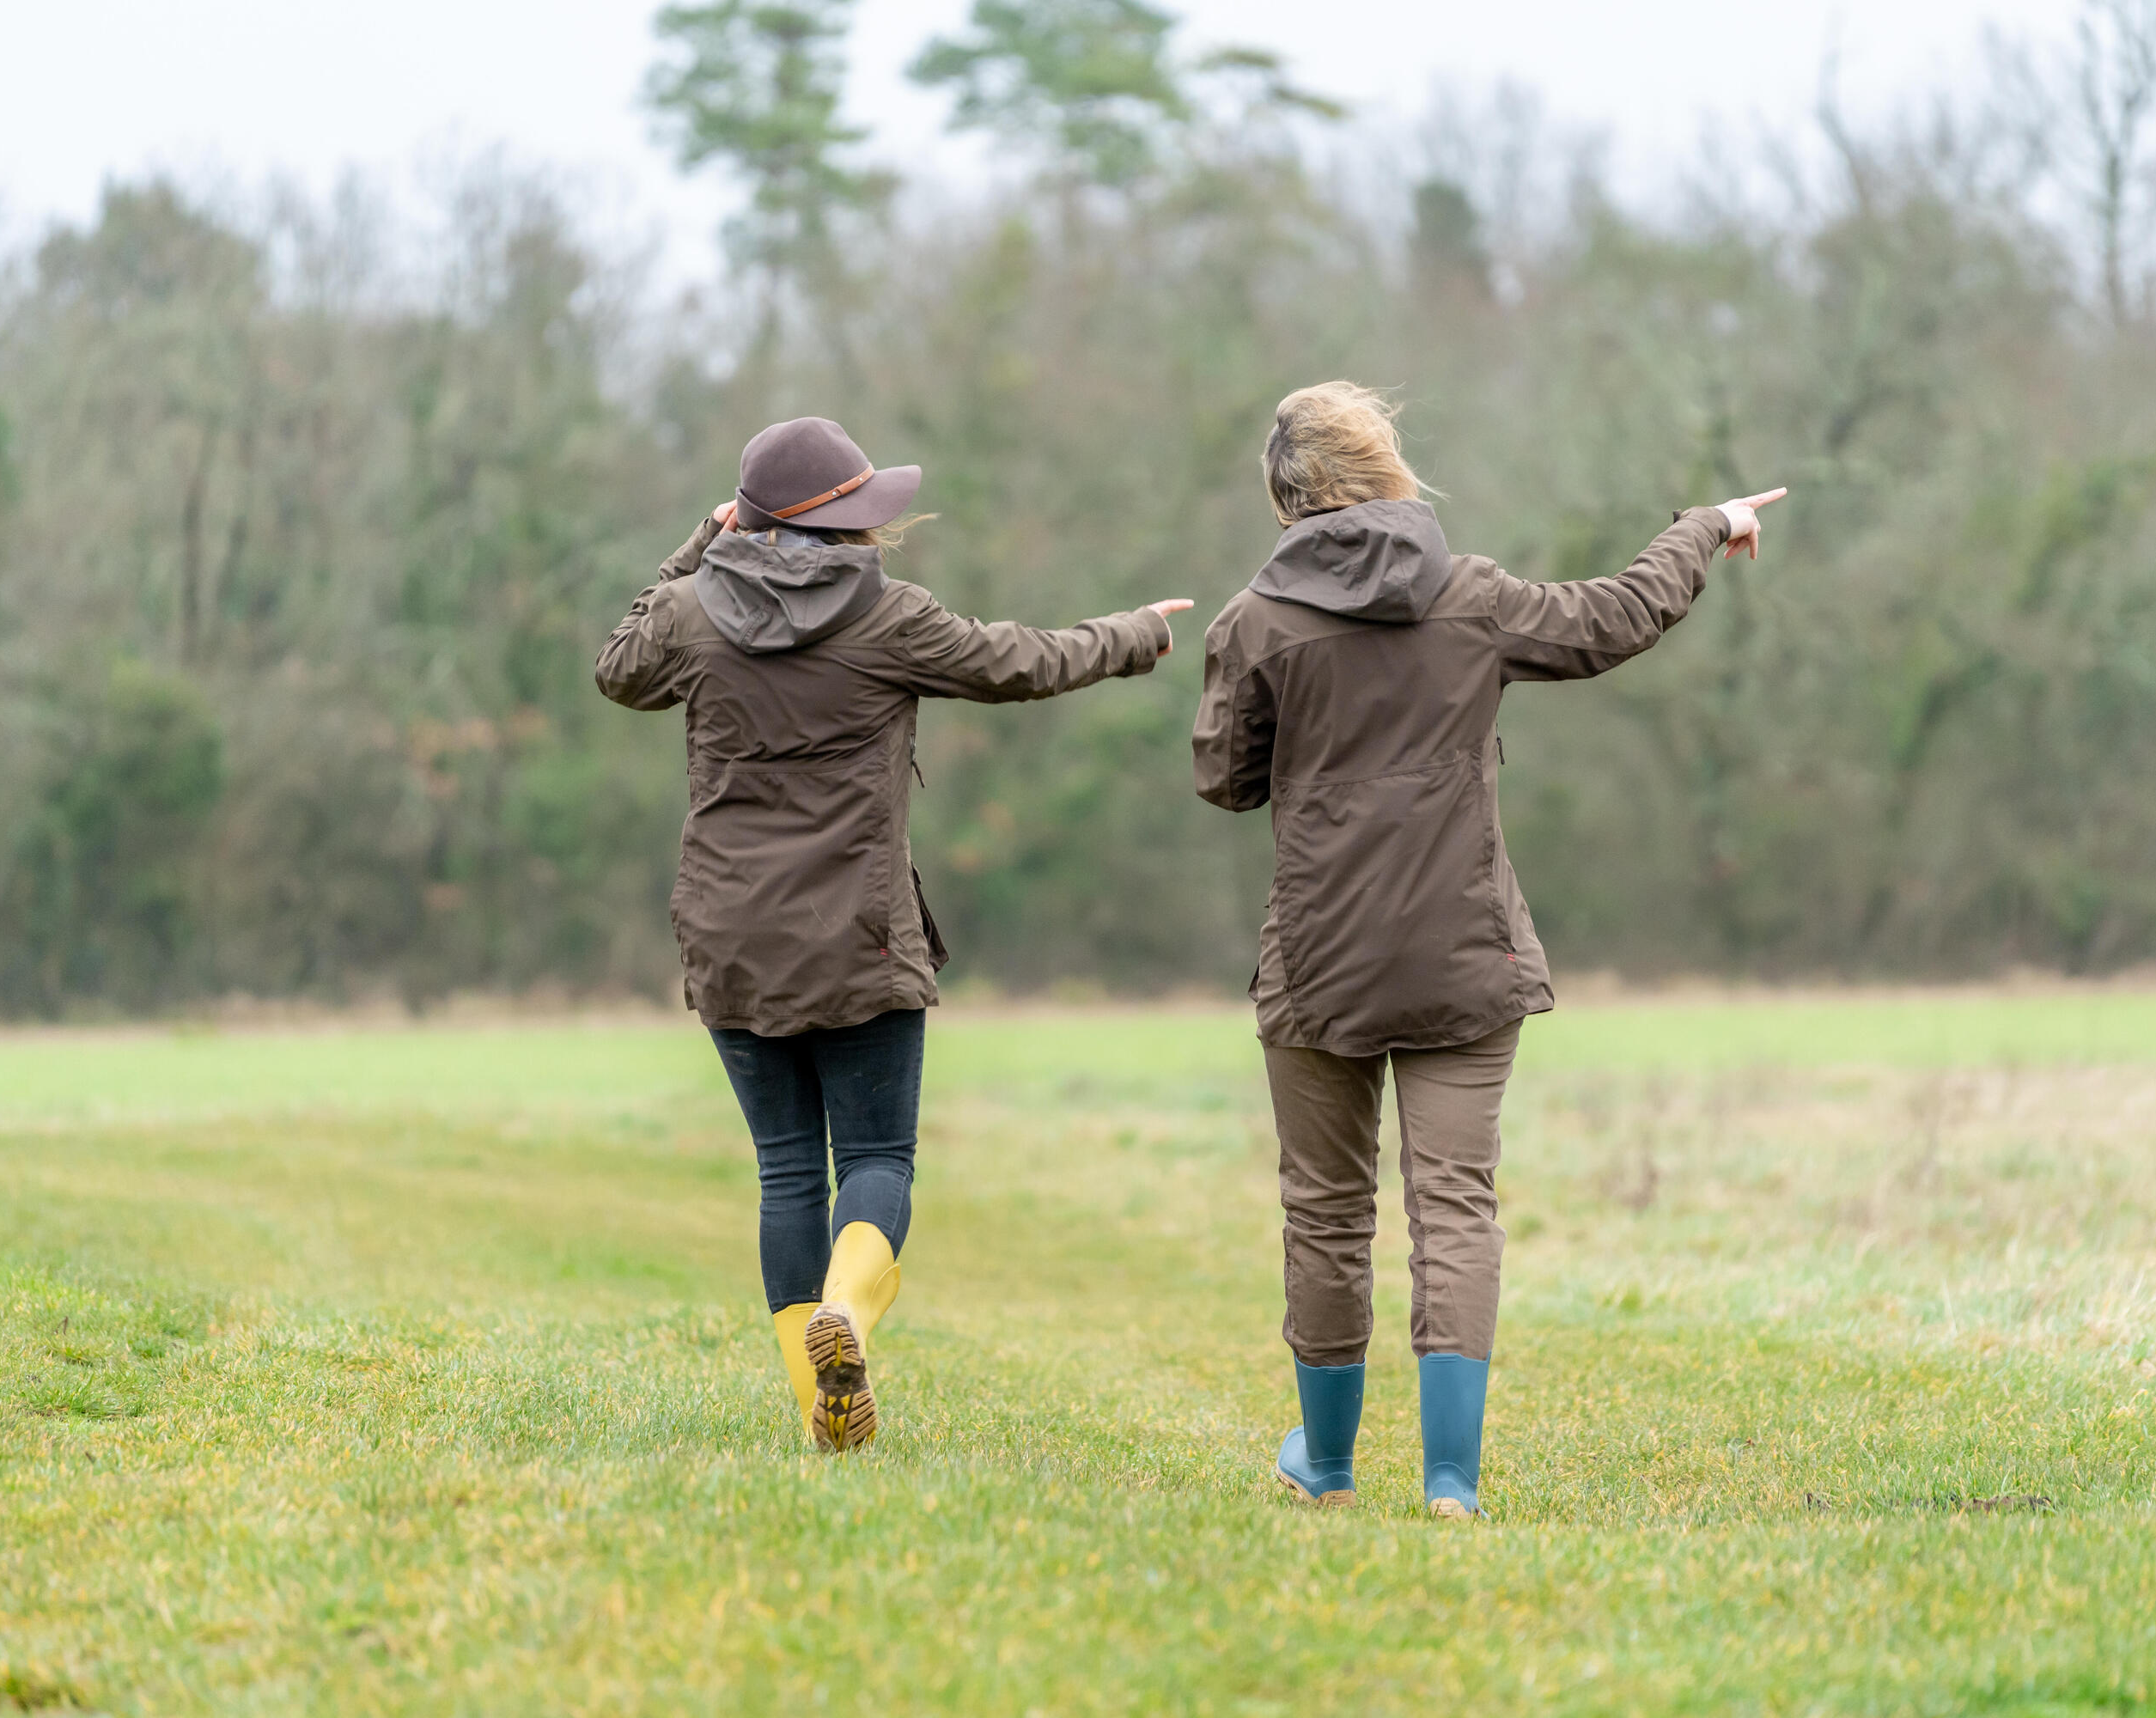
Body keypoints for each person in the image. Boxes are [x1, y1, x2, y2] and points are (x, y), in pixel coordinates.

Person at [1191, 381, 1784, 1518]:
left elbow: (1225, 781)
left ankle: (1325, 1463)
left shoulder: (1251, 625)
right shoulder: (1471, 598)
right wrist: (1702, 523)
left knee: (1325, 1207)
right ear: (1390, 474)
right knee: (1453, 1203)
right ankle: (1452, 1482)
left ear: (1286, 498)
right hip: (1466, 952)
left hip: (1320, 961)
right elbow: (1614, 619)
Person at [598, 415, 1192, 1452]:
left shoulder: (688, 617)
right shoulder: (888, 617)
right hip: (858, 938)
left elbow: (616, 666)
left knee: (786, 1167)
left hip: (732, 938)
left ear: (749, 516)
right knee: (875, 1153)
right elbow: (1028, 662)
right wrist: (1138, 630)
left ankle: (820, 1411)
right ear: (837, 525)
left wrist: (698, 545)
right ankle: (852, 1316)